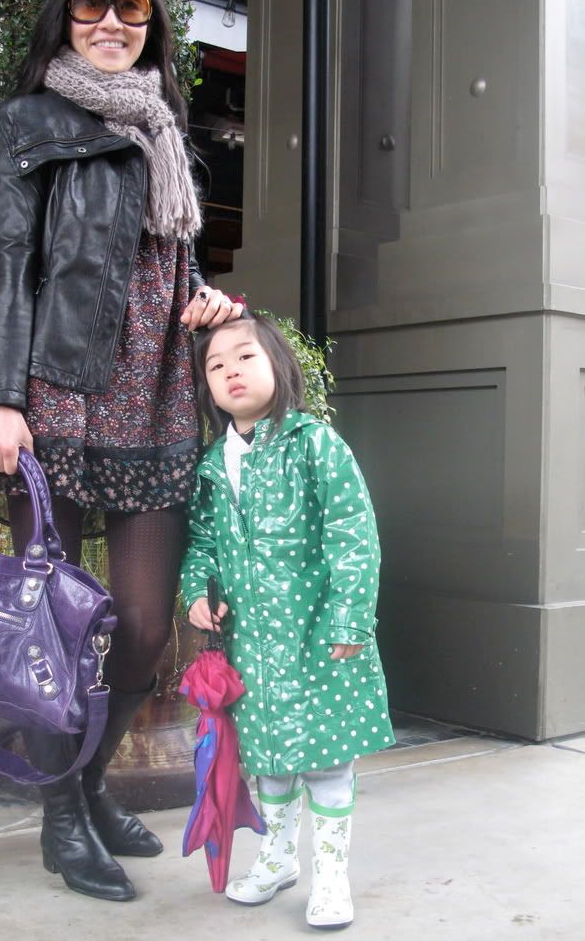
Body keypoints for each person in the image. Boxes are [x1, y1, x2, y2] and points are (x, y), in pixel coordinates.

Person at [0, 0, 243, 903]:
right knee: (52, 623)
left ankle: (86, 786)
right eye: (91, 4)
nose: (111, 23)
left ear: (153, 23)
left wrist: (206, 302)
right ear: (66, 14)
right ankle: (62, 815)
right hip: (60, 393)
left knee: (142, 627)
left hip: (158, 394)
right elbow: (15, 266)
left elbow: (168, 265)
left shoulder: (164, 123)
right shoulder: (30, 123)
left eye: (132, 8)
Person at [180, 310, 394, 929]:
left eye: (245, 357)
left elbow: (353, 534)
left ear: (279, 364)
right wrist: (196, 591)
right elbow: (202, 542)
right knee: (268, 757)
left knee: (326, 758)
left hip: (317, 637)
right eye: (216, 366)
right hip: (251, 645)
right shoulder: (214, 464)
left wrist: (350, 617)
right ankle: (277, 859)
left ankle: (331, 874)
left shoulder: (314, 444)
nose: (231, 372)